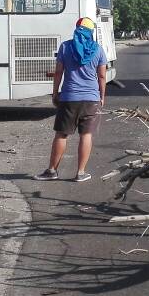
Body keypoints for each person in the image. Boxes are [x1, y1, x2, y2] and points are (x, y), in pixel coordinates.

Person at [37, 17, 107, 181]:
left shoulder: (66, 47)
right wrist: (102, 97)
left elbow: (59, 72)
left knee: (61, 134)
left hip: (69, 98)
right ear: (91, 32)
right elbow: (102, 76)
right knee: (86, 135)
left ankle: (52, 171)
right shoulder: (98, 49)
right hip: (91, 99)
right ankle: (80, 173)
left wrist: (55, 93)